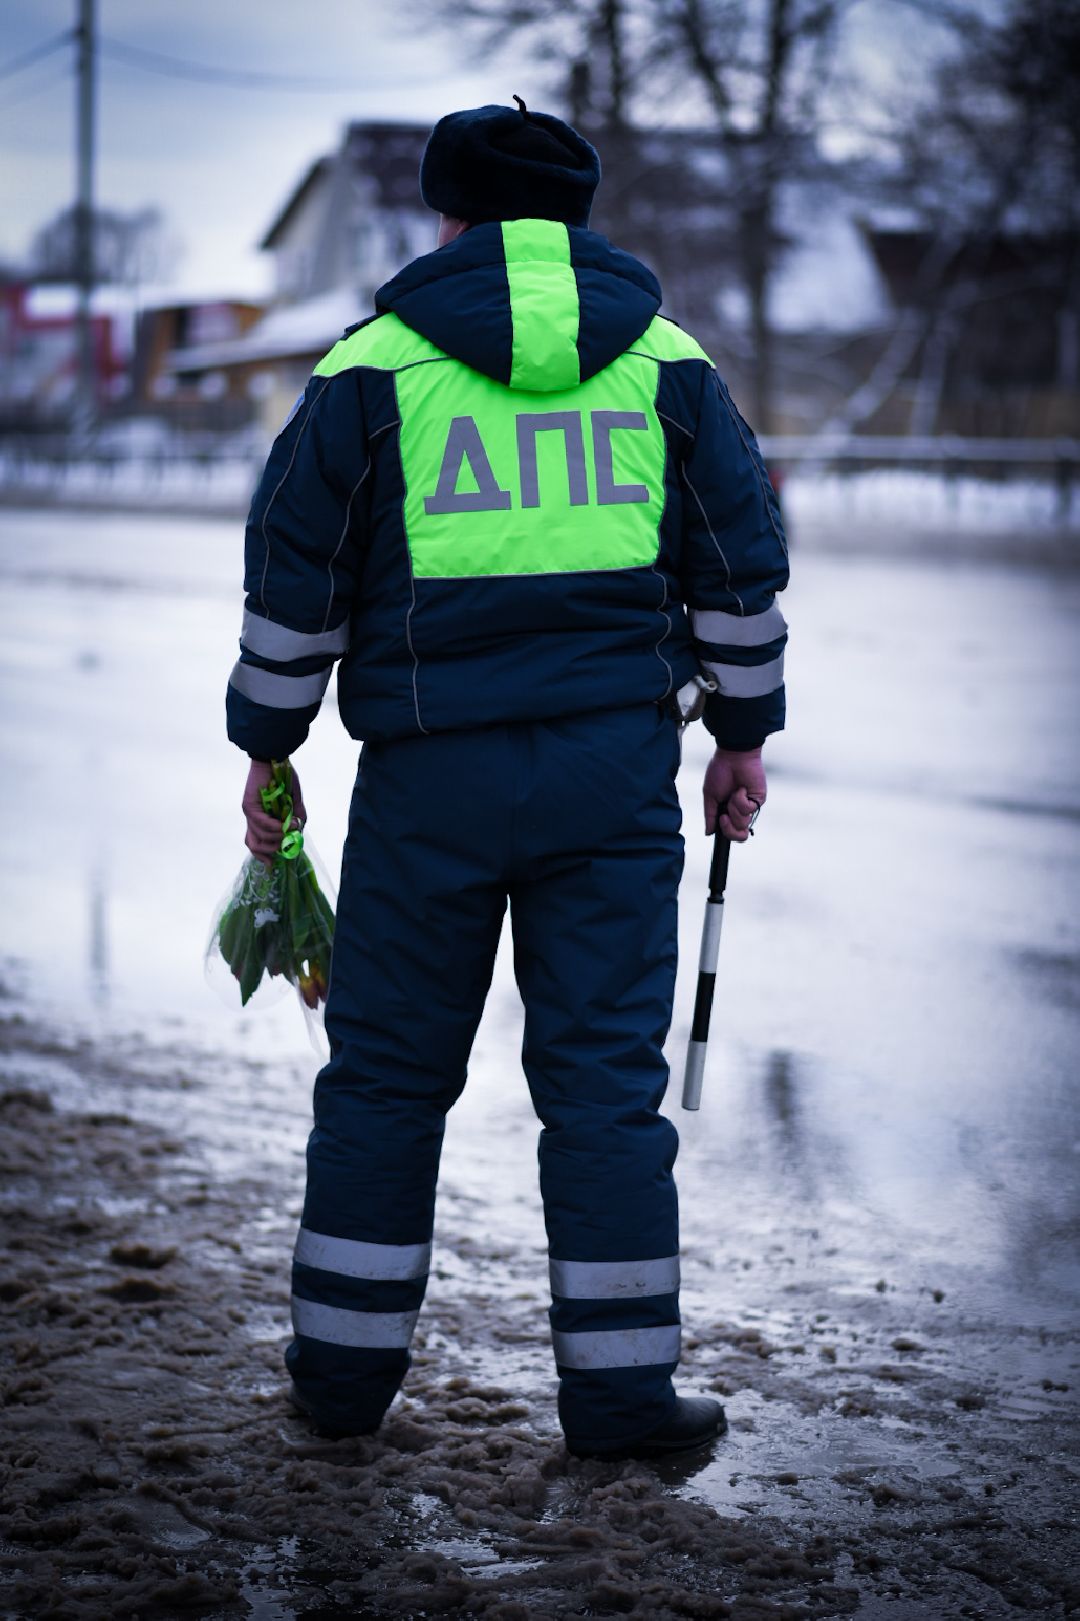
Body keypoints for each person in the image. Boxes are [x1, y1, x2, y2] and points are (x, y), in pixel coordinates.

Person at [229, 99, 789, 1460]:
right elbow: (738, 566)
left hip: (430, 786)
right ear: (578, 215)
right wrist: (741, 737)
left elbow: (296, 578)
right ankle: (619, 1403)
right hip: (612, 783)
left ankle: (344, 1383)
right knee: (603, 1093)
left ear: (447, 217)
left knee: (382, 1082)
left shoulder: (372, 369)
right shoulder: (668, 364)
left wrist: (271, 748)